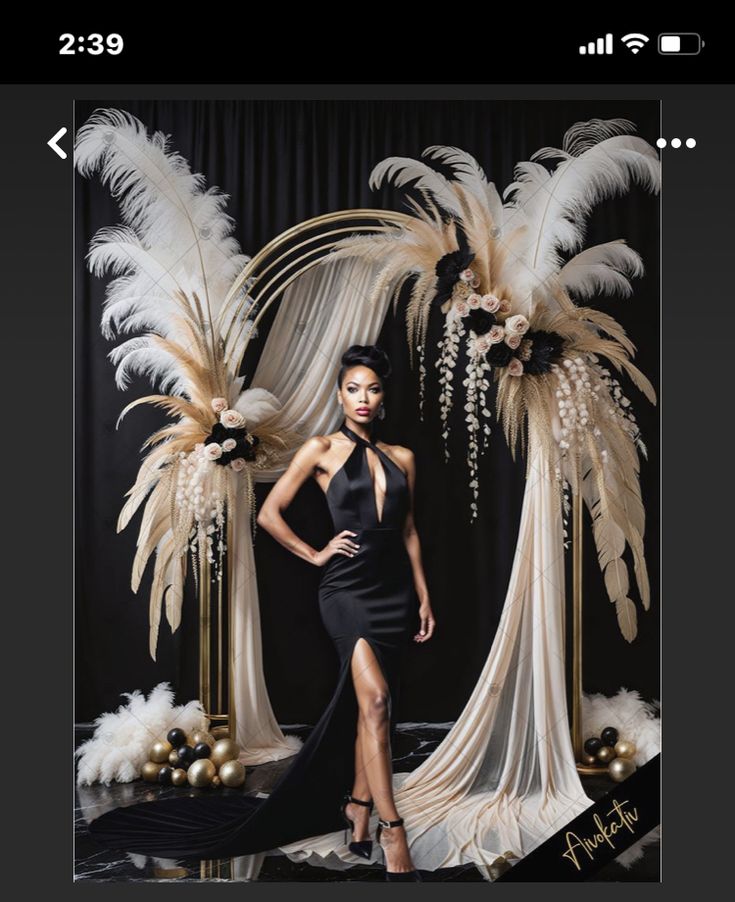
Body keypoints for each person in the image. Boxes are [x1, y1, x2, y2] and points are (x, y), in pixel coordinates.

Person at [88, 344, 436, 881]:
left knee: (371, 710)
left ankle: (358, 812)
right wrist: (317, 554)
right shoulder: (320, 450)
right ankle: (394, 829)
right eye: (352, 388)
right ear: (339, 395)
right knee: (377, 702)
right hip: (346, 593)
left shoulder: (404, 458)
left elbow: (409, 532)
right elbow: (271, 514)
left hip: (393, 594)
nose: (363, 398)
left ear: (382, 398)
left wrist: (424, 597)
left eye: (372, 389)